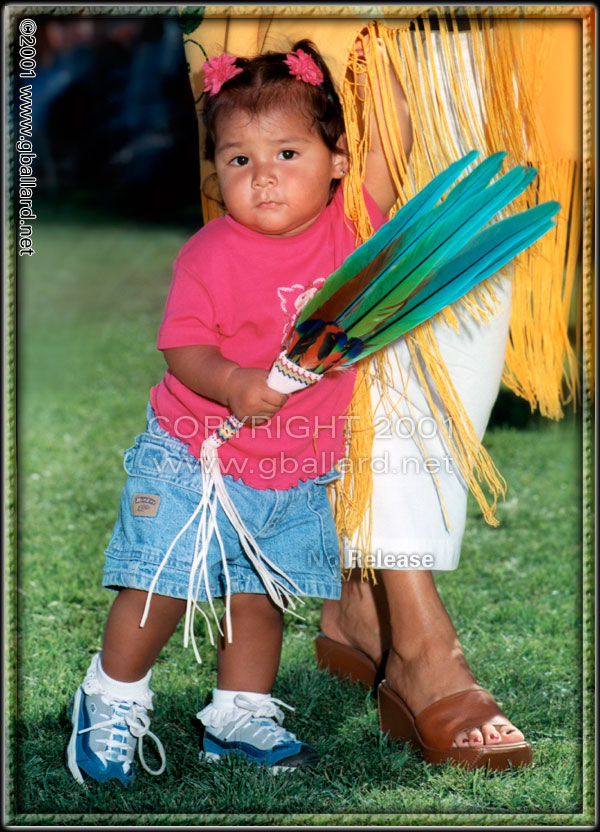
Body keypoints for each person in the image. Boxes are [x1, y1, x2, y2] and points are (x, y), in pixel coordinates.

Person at [66, 39, 399, 785]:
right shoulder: (211, 253)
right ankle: (112, 696)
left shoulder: (351, 231)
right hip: (196, 454)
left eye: (287, 152)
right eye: (239, 159)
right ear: (216, 171)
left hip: (294, 465)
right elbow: (182, 347)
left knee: (259, 593)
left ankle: (237, 714)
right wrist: (232, 380)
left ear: (336, 160)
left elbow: (386, 157)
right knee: (162, 582)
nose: (265, 176)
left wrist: (391, 77)